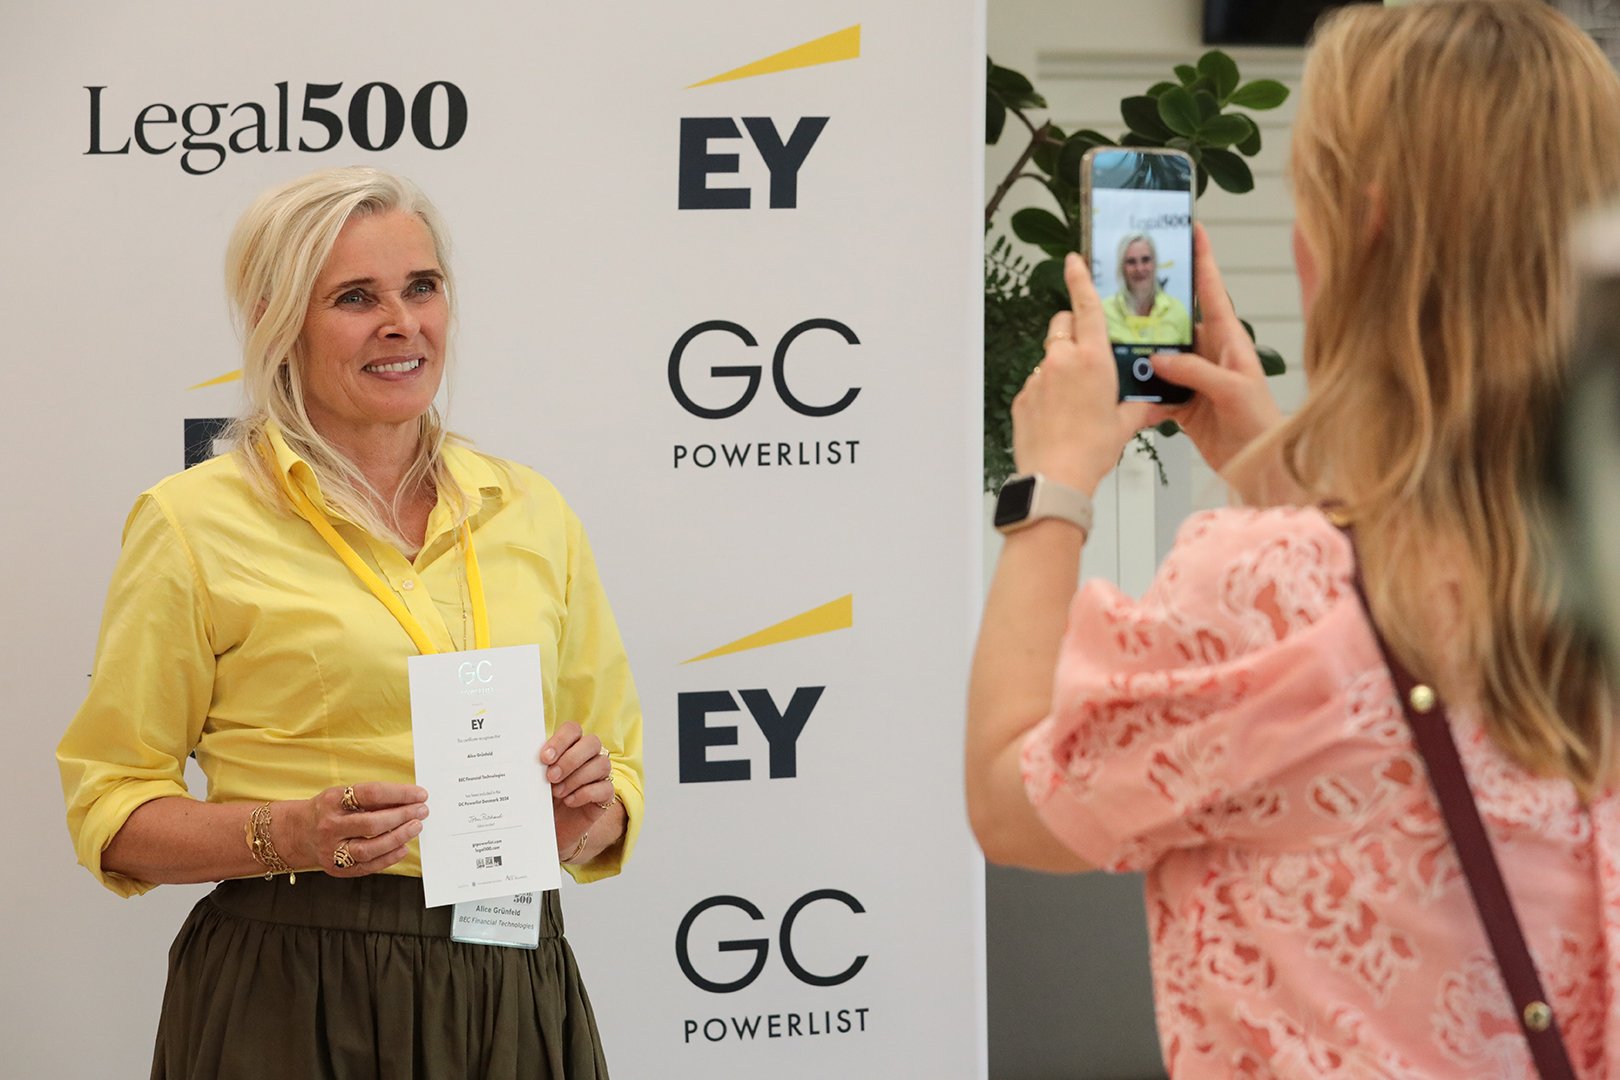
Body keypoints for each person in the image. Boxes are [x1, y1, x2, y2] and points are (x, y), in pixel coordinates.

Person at [968, 2, 1620, 1076]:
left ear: (1362, 231)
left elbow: (1011, 800)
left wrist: (1052, 484)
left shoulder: (1260, 588)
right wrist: (1274, 463)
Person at [57, 166, 644, 1079]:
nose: (402, 323)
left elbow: (617, 776)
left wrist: (583, 813)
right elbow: (113, 807)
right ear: (278, 320)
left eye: (423, 287)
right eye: (355, 297)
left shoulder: (533, 511)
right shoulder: (192, 522)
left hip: (512, 972)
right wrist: (289, 834)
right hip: (295, 980)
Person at [1102, 232, 1191, 345]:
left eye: (1145, 260)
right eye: (1131, 262)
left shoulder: (1177, 311)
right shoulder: (1104, 312)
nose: (1139, 269)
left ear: (1155, 264)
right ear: (1121, 268)